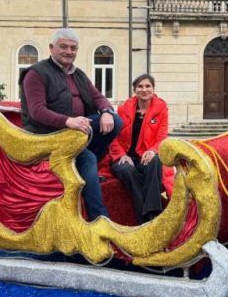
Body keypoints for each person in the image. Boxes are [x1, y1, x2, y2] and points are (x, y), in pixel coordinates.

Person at [19, 28, 122, 221]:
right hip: (48, 136)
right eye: (64, 47)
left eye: (73, 48)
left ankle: (81, 159)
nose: (69, 51)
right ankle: (99, 221)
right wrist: (68, 121)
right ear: (51, 48)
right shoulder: (36, 73)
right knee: (88, 158)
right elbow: (36, 111)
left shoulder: (78, 74)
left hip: (77, 135)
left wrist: (107, 111)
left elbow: (98, 97)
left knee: (115, 121)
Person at [107, 74, 172, 223]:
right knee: (126, 169)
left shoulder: (161, 107)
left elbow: (162, 135)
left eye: (148, 86)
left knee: (155, 161)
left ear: (153, 89)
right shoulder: (124, 108)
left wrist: (153, 150)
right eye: (140, 87)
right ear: (135, 90)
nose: (144, 90)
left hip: (145, 155)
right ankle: (146, 216)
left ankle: (152, 212)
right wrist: (121, 155)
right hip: (125, 156)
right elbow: (113, 137)